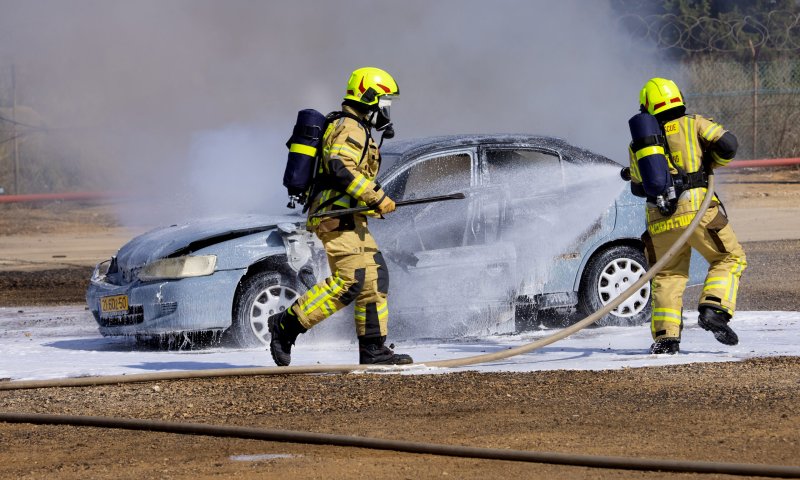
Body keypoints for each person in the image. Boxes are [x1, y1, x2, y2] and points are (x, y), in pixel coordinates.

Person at [268, 67, 413, 366]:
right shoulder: (351, 127)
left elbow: (347, 176)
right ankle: (285, 325)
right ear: (369, 96)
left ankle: (373, 348)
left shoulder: (358, 127)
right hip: (335, 217)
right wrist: (377, 196)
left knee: (374, 277)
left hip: (350, 217)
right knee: (351, 281)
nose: (386, 111)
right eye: (385, 102)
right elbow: (340, 167)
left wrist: (372, 205)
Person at [627, 77, 747, 354]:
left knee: (667, 274)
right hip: (698, 209)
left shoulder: (639, 145)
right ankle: (714, 308)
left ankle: (666, 339)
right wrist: (711, 163)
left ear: (647, 106)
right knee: (729, 257)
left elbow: (636, 186)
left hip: (659, 217)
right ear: (678, 97)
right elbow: (728, 144)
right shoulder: (694, 123)